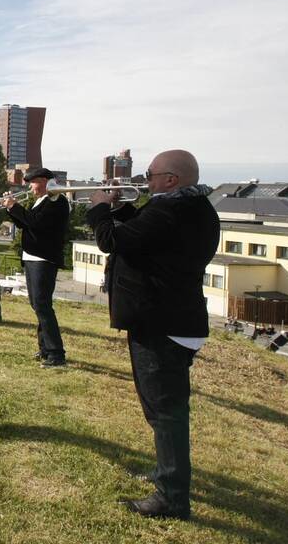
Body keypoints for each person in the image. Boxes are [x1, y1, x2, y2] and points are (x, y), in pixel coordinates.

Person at [87, 150, 219, 520]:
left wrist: (98, 209)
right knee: (162, 410)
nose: (145, 180)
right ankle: (167, 475)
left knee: (166, 413)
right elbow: (145, 234)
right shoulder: (193, 208)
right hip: (172, 320)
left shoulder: (170, 210)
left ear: (172, 179)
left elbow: (112, 241)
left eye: (151, 174)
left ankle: (172, 498)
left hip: (162, 324)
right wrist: (119, 209)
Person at [4, 167, 70, 367]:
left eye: (32, 182)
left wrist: (15, 207)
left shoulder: (56, 200)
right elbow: (27, 224)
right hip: (33, 257)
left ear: (43, 181)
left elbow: (36, 222)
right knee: (37, 305)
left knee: (42, 305)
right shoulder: (41, 201)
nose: (29, 187)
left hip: (43, 259)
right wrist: (11, 209)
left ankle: (56, 353)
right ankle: (45, 348)